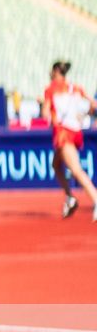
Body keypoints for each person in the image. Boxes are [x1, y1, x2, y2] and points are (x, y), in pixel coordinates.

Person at [41, 60, 97, 221]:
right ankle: (70, 197)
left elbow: (45, 113)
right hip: (75, 132)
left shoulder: (50, 90)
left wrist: (45, 109)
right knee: (56, 165)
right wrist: (84, 114)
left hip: (63, 134)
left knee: (76, 170)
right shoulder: (76, 88)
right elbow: (92, 105)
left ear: (56, 72)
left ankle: (95, 198)